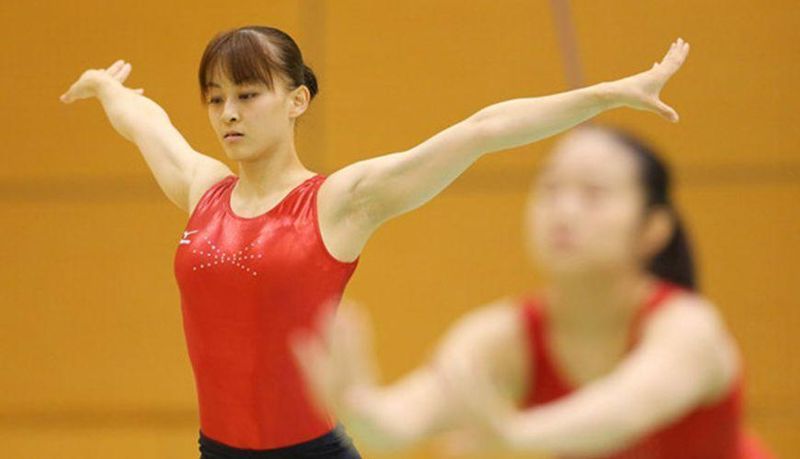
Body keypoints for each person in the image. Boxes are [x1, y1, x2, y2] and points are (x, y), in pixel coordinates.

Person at [59, 24, 689, 458]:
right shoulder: (203, 191)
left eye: (248, 95)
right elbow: (148, 124)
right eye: (215, 98)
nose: (228, 113)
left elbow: (482, 130)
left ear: (297, 100)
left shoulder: (340, 203)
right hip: (216, 453)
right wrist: (109, 88)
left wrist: (606, 94)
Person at [293, 125, 775, 459]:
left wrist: (517, 434)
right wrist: (360, 406)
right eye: (549, 189)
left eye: (593, 193)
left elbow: (624, 411)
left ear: (654, 227)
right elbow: (398, 423)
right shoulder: (501, 337)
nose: (564, 211)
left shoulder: (689, 329)